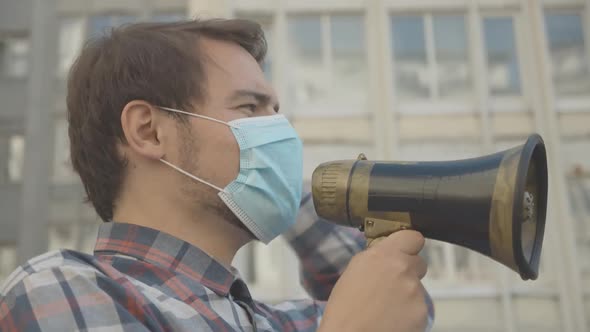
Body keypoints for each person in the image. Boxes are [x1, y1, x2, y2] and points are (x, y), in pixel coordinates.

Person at [0, 19, 433, 331]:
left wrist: (317, 193)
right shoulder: (61, 290)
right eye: (249, 108)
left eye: (276, 113)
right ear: (148, 131)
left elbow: (397, 299)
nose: (280, 134)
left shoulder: (283, 321)